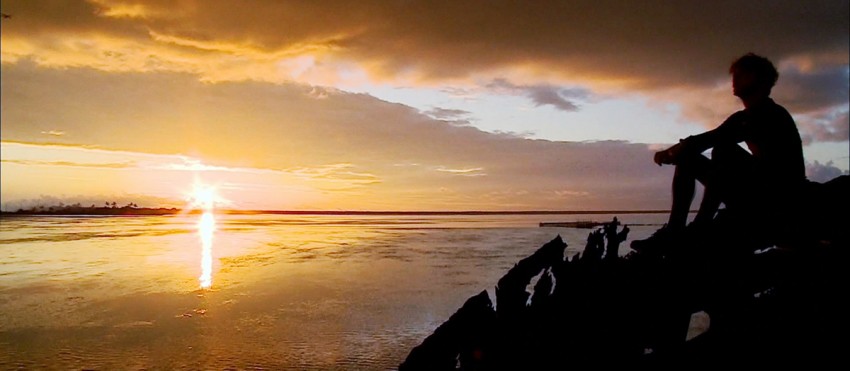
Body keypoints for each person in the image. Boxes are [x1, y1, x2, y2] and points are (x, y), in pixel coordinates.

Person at [631, 53, 807, 253]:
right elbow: (708, 138)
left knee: (723, 150)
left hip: (777, 198)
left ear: (756, 78)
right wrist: (678, 151)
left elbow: (710, 140)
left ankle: (697, 226)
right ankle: (678, 229)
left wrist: (673, 152)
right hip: (758, 191)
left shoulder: (769, 114)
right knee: (700, 154)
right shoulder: (744, 117)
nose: (734, 80)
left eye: (740, 75)